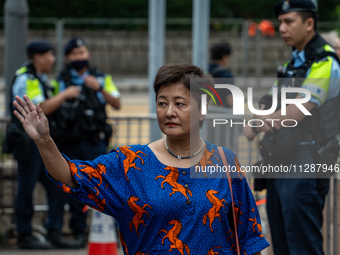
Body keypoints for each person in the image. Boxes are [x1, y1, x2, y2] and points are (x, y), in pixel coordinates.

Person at [13, 63, 269, 254]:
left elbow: (249, 237)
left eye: (180, 104)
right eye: (162, 103)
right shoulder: (130, 163)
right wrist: (44, 141)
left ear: (202, 111)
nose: (169, 112)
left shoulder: (225, 161)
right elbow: (70, 174)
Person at [243, 0, 340, 254]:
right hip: (281, 162)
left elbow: (295, 113)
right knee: (282, 244)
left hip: (306, 164)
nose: (281, 28)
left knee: (302, 247)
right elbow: (267, 104)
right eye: (280, 22)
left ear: (309, 24)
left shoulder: (324, 62)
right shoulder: (291, 65)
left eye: (288, 21)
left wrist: (258, 123)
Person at [8, 41, 81, 249]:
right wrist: (64, 95)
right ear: (38, 57)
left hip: (39, 143)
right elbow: (40, 109)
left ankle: (54, 231)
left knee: (57, 186)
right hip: (27, 143)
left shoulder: (39, 77)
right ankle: (24, 234)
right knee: (26, 189)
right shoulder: (26, 77)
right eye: (49, 55)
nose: (53, 59)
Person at [49, 37, 121, 247]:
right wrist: (64, 94)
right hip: (69, 143)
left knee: (104, 186)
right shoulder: (60, 80)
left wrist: (100, 88)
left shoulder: (101, 78)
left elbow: (117, 103)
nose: (79, 57)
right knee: (73, 190)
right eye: (75, 54)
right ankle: (78, 231)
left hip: (95, 143)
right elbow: (46, 106)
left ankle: (110, 232)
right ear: (68, 58)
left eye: (82, 52)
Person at [208, 41, 234, 108]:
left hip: (205, 113)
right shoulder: (226, 75)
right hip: (222, 114)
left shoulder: (204, 70)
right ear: (224, 56)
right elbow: (230, 101)